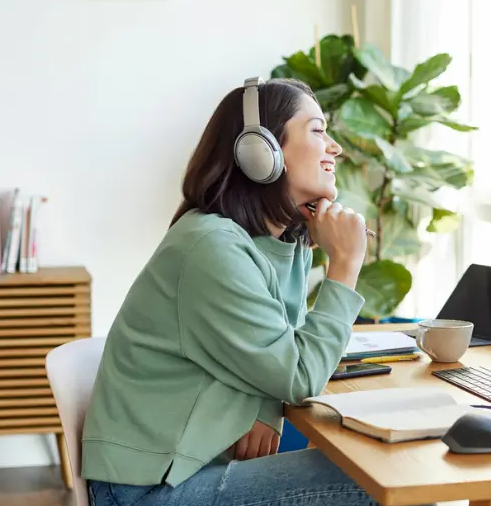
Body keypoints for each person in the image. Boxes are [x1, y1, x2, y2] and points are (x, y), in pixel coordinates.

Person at [80, 77, 402, 506]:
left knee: (375, 459)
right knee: (380, 480)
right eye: (318, 130)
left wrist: (264, 406)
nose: (335, 148)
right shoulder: (212, 247)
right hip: (149, 490)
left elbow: (277, 352)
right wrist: (345, 264)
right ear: (260, 152)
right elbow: (301, 376)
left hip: (193, 462)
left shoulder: (270, 243)